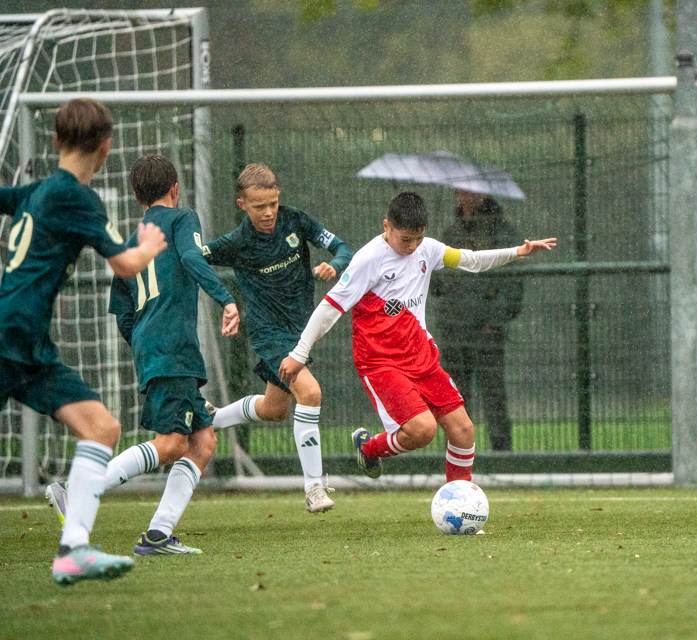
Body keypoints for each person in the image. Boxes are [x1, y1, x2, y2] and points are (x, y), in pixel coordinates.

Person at [0, 99, 167, 585]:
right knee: (102, 427)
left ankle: (74, 549)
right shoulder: (77, 198)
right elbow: (124, 264)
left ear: (55, 141)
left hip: (27, 344)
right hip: (11, 336)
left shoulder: (39, 191)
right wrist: (150, 246)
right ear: (107, 147)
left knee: (100, 427)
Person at [278, 192, 555, 482]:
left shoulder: (428, 249)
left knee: (463, 431)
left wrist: (517, 252)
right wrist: (299, 354)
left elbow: (471, 260)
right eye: (405, 239)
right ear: (387, 226)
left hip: (421, 357)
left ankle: (458, 501)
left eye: (418, 238)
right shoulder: (368, 260)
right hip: (380, 362)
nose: (412, 247)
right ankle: (370, 449)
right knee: (423, 430)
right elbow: (329, 309)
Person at [47, 155, 239, 556]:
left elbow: (120, 309)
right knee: (170, 444)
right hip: (173, 349)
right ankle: (78, 490)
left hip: (155, 349)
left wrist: (144, 347)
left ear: (137, 197)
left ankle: (157, 536)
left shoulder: (132, 242)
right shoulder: (183, 219)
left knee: (202, 443)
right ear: (175, 188)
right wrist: (225, 298)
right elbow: (191, 257)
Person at [200, 164, 353, 513]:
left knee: (273, 410)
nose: (268, 213)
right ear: (242, 204)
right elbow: (195, 258)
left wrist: (336, 264)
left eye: (272, 203)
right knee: (310, 393)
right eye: (258, 206)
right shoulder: (237, 243)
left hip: (301, 329)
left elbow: (343, 248)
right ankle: (314, 488)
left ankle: (211, 419)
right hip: (269, 333)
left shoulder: (295, 220)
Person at [432, 190, 523, 451]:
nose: (461, 196)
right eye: (458, 191)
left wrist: (493, 322)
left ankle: (503, 456)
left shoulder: (502, 234)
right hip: (454, 333)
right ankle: (459, 456)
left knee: (494, 397)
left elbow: (513, 286)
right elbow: (437, 284)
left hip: (487, 336)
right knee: (455, 402)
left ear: (482, 195)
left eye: (468, 191)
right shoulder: (450, 234)